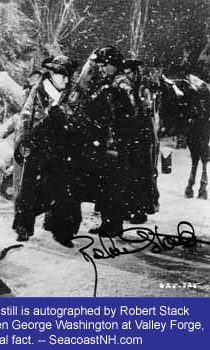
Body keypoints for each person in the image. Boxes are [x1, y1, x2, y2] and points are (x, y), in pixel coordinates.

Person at [12, 55, 80, 247]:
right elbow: (25, 117)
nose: (66, 80)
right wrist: (24, 140)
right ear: (52, 74)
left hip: (62, 148)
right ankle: (23, 228)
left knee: (65, 192)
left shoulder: (72, 93)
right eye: (62, 76)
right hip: (39, 146)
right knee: (29, 189)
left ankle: (63, 232)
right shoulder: (38, 91)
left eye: (68, 76)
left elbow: (76, 116)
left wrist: (64, 114)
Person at [88, 45, 134, 236]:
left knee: (114, 185)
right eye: (100, 65)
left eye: (105, 65)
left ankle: (114, 225)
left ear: (114, 65)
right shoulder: (107, 84)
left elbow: (130, 116)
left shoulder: (121, 85)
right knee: (105, 185)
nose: (101, 68)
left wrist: (117, 139)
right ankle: (107, 222)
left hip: (116, 144)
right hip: (105, 143)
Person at [122, 58, 160, 222]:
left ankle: (140, 210)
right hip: (132, 136)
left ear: (135, 72)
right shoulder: (130, 87)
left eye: (129, 73)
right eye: (125, 73)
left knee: (142, 174)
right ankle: (130, 207)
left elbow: (144, 111)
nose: (127, 76)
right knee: (129, 173)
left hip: (143, 136)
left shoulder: (143, 88)